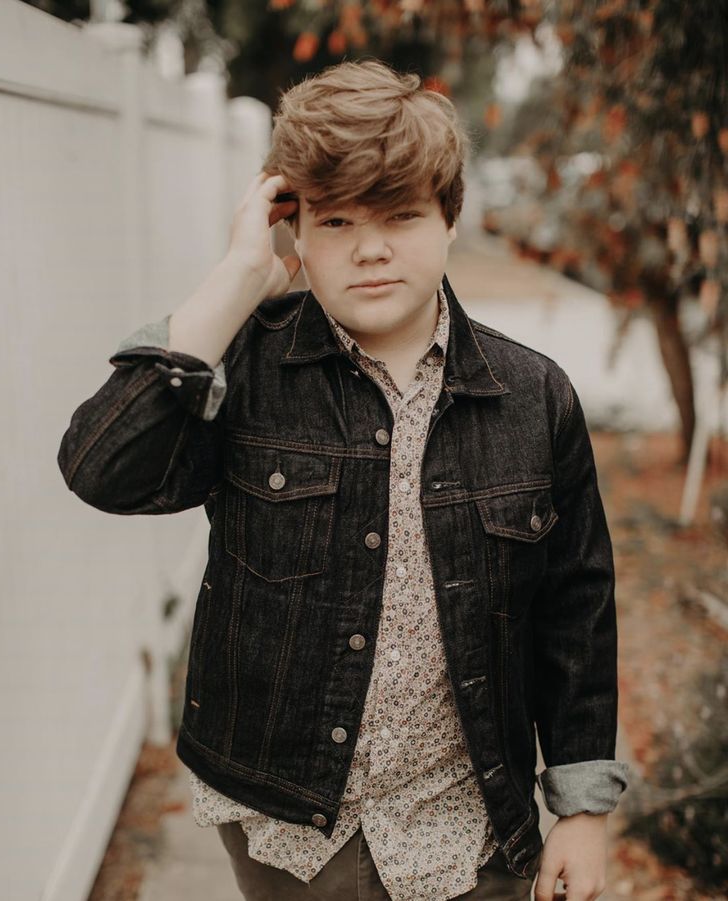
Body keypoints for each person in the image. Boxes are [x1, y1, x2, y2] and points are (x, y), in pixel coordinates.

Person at [57, 58, 630, 901]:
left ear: (450, 219)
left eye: (400, 215)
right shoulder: (246, 365)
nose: (369, 248)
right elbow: (100, 466)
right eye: (334, 222)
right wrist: (240, 279)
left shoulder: (535, 397)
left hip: (472, 824)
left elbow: (577, 607)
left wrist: (581, 809)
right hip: (285, 824)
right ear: (293, 227)